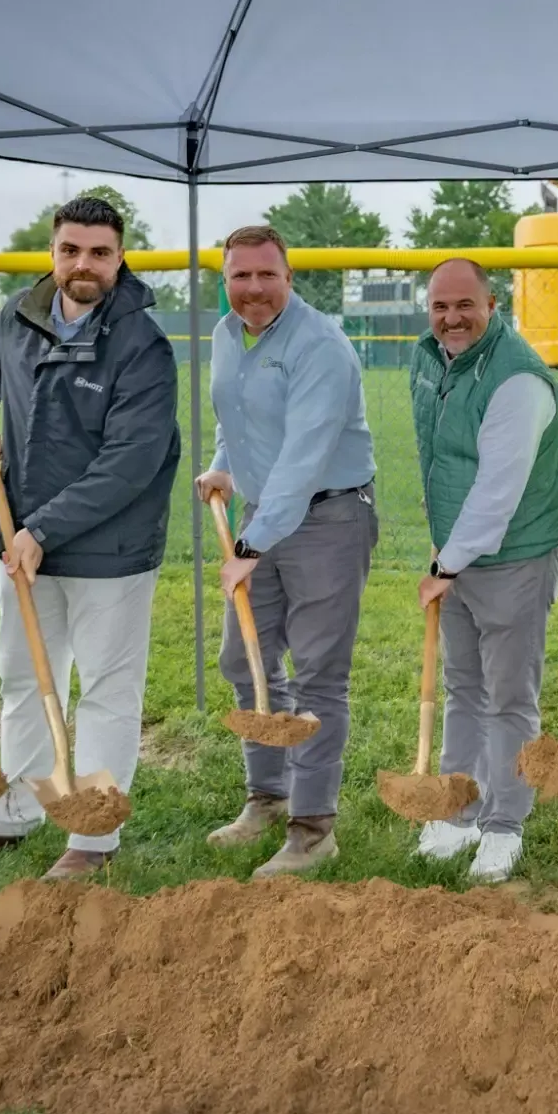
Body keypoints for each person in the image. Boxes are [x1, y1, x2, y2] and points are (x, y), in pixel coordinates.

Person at [0, 197, 181, 880]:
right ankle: (12, 813)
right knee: (23, 680)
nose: (83, 264)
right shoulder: (18, 315)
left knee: (105, 688)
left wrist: (45, 527)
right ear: (52, 252)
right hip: (24, 545)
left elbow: (130, 462)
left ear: (120, 257)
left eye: (99, 252)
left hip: (108, 553)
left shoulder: (143, 345)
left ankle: (91, 840)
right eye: (71, 250)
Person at [196, 225, 378, 878]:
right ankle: (266, 798)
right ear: (226, 280)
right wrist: (223, 464)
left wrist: (249, 544)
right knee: (243, 659)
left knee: (318, 674)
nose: (252, 288)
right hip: (262, 514)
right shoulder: (225, 335)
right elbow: (237, 416)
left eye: (265, 275)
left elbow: (304, 456)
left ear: (289, 277)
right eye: (239, 276)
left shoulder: (320, 345)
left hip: (327, 514)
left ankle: (313, 828)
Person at [409, 256, 558, 884]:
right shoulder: (432, 358)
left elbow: (498, 491)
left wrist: (445, 563)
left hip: (514, 555)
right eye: (440, 307)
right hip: (458, 555)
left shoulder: (519, 379)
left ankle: (505, 825)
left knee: (508, 698)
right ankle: (459, 810)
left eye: (465, 306)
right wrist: (446, 555)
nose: (452, 319)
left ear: (492, 306)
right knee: (463, 688)